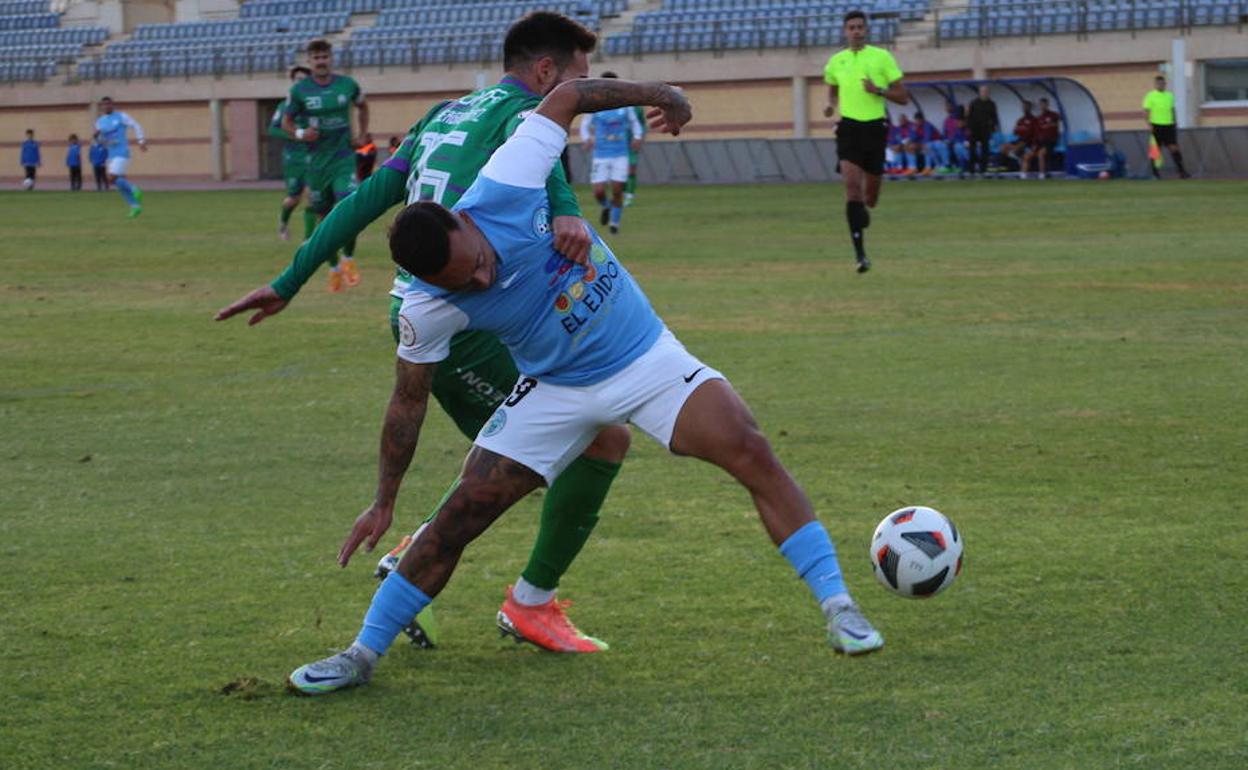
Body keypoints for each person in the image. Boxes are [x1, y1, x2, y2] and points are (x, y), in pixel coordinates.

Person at [285, 74, 885, 696]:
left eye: (479, 263)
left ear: (463, 221)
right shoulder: (424, 306)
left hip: (644, 358)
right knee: (460, 516)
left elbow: (568, 93)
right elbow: (406, 402)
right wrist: (384, 500)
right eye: (465, 284)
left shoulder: (509, 182)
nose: (484, 281)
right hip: (553, 390)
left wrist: (662, 94)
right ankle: (360, 654)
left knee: (750, 448)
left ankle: (840, 608)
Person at [216, 12, 622, 656]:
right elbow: (551, 183)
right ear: (547, 73)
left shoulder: (447, 112)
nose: (584, 90)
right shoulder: (524, 118)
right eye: (579, 77)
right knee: (589, 442)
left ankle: (505, 590)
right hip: (456, 319)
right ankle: (513, 597)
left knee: (550, 446)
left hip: (463, 310)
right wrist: (570, 214)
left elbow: (369, 196)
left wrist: (291, 279)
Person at [822, 9, 908, 273]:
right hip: (848, 128)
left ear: (866, 30)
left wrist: (878, 90)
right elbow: (833, 90)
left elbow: (903, 96)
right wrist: (830, 105)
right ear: (845, 31)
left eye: (860, 27)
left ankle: (862, 212)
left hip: (875, 128)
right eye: (852, 27)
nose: (856, 31)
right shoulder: (836, 61)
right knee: (851, 188)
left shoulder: (882, 57)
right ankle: (860, 256)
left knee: (870, 199)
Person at [283, 38, 369, 292]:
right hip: (316, 164)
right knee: (324, 216)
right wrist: (300, 133)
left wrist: (362, 133)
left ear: (331, 59)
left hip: (343, 159)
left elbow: (363, 106)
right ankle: (333, 268)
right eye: (316, 58)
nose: (321, 61)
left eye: (325, 57)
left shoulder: (347, 85)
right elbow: (286, 122)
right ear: (309, 62)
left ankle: (349, 259)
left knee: (349, 207)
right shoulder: (300, 91)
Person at [579, 71, 643, 234]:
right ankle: (606, 207)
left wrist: (637, 136)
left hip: (620, 154)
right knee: (598, 191)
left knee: (617, 189)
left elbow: (635, 123)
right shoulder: (595, 105)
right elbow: (584, 125)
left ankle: (614, 224)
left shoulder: (625, 106)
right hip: (600, 154)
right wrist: (587, 139)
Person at [270, 65, 316, 243]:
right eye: (297, 80)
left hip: (314, 157)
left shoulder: (315, 105)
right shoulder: (285, 106)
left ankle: (308, 239)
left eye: (304, 79)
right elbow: (273, 129)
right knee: (293, 199)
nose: (301, 82)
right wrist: (296, 134)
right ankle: (283, 223)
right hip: (293, 159)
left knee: (312, 197)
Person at [94, 96, 146, 218]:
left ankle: (134, 189)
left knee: (111, 178)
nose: (106, 106)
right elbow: (102, 141)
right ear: (101, 106)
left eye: (108, 103)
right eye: (104, 104)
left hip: (122, 153)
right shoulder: (99, 122)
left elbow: (136, 125)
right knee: (118, 182)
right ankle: (135, 207)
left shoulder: (121, 116)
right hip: (111, 155)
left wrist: (141, 141)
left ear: (113, 104)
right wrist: (96, 137)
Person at [1142, 75, 1190, 179]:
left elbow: (1172, 110)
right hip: (1156, 125)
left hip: (1169, 126)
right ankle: (1155, 173)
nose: (1161, 85)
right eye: (1159, 83)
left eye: (1163, 84)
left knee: (1174, 148)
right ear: (1155, 84)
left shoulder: (1169, 96)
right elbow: (1146, 111)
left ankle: (1181, 171)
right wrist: (1149, 124)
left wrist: (1175, 121)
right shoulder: (1150, 96)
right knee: (1156, 149)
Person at [965, 85, 999, 176]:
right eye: (983, 91)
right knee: (972, 150)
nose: (984, 93)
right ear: (979, 92)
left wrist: (994, 127)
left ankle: (983, 170)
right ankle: (971, 170)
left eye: (986, 91)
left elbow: (994, 117)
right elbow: (968, 117)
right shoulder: (973, 103)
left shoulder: (991, 104)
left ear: (988, 93)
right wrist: (968, 128)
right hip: (974, 129)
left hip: (985, 130)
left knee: (985, 150)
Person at [1032, 97, 1061, 179]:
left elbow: (1057, 124)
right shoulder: (1038, 118)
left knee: (1041, 154)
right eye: (1040, 104)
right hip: (1040, 141)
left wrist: (1050, 125)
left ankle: (1042, 174)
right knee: (1027, 155)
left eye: (1044, 104)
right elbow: (1036, 132)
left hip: (1051, 141)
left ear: (1047, 105)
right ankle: (1023, 176)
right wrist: (1034, 143)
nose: (1042, 106)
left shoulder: (1053, 115)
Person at [938, 100, 969, 174]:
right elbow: (952, 137)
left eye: (959, 121)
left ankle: (964, 166)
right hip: (958, 144)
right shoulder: (950, 122)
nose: (958, 123)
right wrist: (948, 141)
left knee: (958, 146)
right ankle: (947, 166)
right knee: (944, 145)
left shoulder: (969, 125)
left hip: (971, 147)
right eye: (957, 121)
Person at [623, 105, 646, 205]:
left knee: (631, 168)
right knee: (620, 170)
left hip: (632, 142)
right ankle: (622, 193)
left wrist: (639, 138)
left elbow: (642, 124)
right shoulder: (616, 106)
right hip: (617, 144)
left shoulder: (638, 108)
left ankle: (629, 195)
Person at [1013, 101, 1040, 179]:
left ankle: (1023, 175)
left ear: (1029, 108)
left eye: (1026, 106)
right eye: (1023, 106)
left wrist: (1034, 145)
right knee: (1004, 147)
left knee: (1025, 156)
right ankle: (1016, 156)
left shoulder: (1034, 120)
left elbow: (1034, 133)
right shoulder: (1020, 120)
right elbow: (1015, 131)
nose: (1024, 108)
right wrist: (1023, 129)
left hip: (1029, 143)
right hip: (1020, 142)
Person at [910, 110, 939, 176]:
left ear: (922, 119)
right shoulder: (915, 126)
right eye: (916, 120)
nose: (917, 122)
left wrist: (919, 145)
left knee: (927, 146)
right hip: (924, 144)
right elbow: (913, 139)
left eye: (918, 120)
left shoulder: (927, 125)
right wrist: (914, 131)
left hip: (935, 143)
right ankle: (912, 167)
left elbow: (927, 138)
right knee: (910, 147)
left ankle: (928, 167)